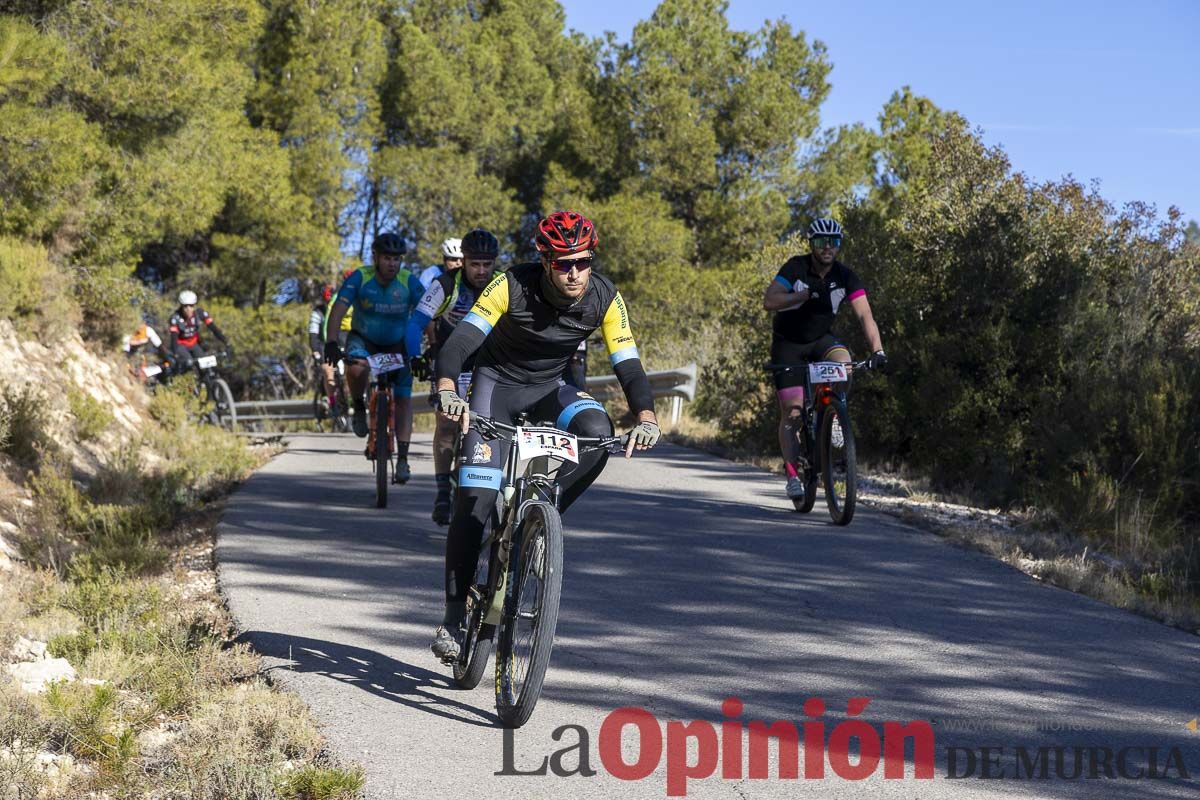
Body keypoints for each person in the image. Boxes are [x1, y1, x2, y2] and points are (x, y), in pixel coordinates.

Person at [429, 210, 661, 662]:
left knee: (598, 433)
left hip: (552, 389)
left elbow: (628, 365)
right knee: (475, 500)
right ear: (544, 260)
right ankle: (454, 618)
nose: (573, 273)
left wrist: (647, 417)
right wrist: (446, 391)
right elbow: (458, 343)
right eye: (561, 263)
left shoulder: (605, 297)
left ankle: (539, 521)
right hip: (494, 389)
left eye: (581, 261)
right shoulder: (511, 284)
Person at [761, 218, 886, 503]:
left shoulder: (846, 276)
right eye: (821, 242)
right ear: (812, 243)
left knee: (845, 364)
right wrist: (803, 294)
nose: (828, 247)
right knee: (792, 414)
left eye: (834, 242)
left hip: (821, 340)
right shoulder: (796, 267)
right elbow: (770, 300)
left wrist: (878, 350)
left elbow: (865, 315)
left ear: (839, 245)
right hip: (788, 345)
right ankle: (793, 476)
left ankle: (833, 415)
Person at [405, 229, 501, 525]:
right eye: (475, 264)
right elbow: (416, 324)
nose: (482, 271)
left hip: (487, 363)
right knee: (446, 425)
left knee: (492, 426)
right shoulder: (445, 284)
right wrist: (416, 357)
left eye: (487, 264)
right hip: (451, 363)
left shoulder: (502, 284)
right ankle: (443, 491)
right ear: (464, 261)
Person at [323, 233, 425, 483]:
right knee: (356, 367)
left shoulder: (408, 281)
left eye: (397, 259)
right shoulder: (361, 277)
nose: (392, 264)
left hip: (397, 343)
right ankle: (358, 406)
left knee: (403, 399)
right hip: (364, 339)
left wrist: (429, 348)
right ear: (376, 257)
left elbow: (427, 312)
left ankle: (402, 459)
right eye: (387, 258)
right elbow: (338, 310)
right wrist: (332, 342)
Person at [168, 290, 230, 371]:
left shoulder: (199, 313)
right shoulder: (175, 318)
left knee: (205, 366)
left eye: (191, 306)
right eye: (185, 306)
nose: (188, 309)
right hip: (181, 345)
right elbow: (174, 338)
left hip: (194, 344)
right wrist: (175, 353)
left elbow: (214, 329)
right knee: (189, 363)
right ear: (181, 306)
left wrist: (226, 342)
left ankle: (208, 381)